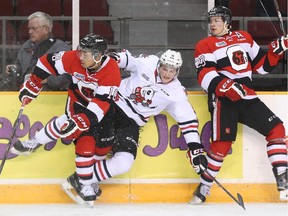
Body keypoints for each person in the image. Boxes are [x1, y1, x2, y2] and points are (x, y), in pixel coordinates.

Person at [60, 49, 208, 206]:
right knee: (98, 146)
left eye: (172, 71)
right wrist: (112, 59)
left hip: (131, 121)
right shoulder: (148, 62)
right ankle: (85, 182)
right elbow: (127, 60)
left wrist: (195, 149)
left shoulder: (177, 93)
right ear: (159, 64)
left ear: (177, 71)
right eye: (165, 68)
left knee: (124, 162)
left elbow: (188, 122)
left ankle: (80, 179)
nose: (167, 74)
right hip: (112, 105)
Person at [190, 6, 288, 204]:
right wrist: (227, 86)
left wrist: (276, 51)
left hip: (248, 97)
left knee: (277, 129)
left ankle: (283, 177)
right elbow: (205, 75)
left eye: (217, 20)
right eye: (211, 21)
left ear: (227, 22)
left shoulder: (244, 37)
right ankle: (204, 187)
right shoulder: (205, 45)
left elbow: (261, 67)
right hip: (223, 100)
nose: (213, 24)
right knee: (222, 145)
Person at [10, 33, 121, 207]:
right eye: (80, 51)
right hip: (77, 100)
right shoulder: (73, 58)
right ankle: (84, 183)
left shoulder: (111, 70)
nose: (80, 57)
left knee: (102, 148)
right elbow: (45, 62)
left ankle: (85, 177)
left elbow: (102, 103)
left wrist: (82, 120)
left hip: (103, 110)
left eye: (86, 54)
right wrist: (34, 82)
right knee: (85, 137)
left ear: (98, 56)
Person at [5, 11, 71, 91]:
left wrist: (47, 80)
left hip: (50, 96)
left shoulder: (61, 48)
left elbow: (67, 76)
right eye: (29, 28)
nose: (30, 32)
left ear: (46, 29)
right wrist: (15, 68)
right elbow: (20, 65)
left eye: (34, 28)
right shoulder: (27, 45)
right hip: (24, 93)